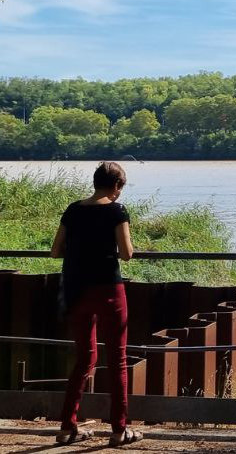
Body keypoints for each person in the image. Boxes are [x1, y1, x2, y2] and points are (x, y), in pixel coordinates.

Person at [51, 162, 142, 447]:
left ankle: (67, 426)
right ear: (117, 186)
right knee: (117, 359)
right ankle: (119, 429)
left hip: (77, 290)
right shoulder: (117, 210)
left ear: (95, 182)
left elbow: (56, 251)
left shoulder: (73, 209)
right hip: (108, 290)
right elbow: (127, 253)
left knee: (84, 358)